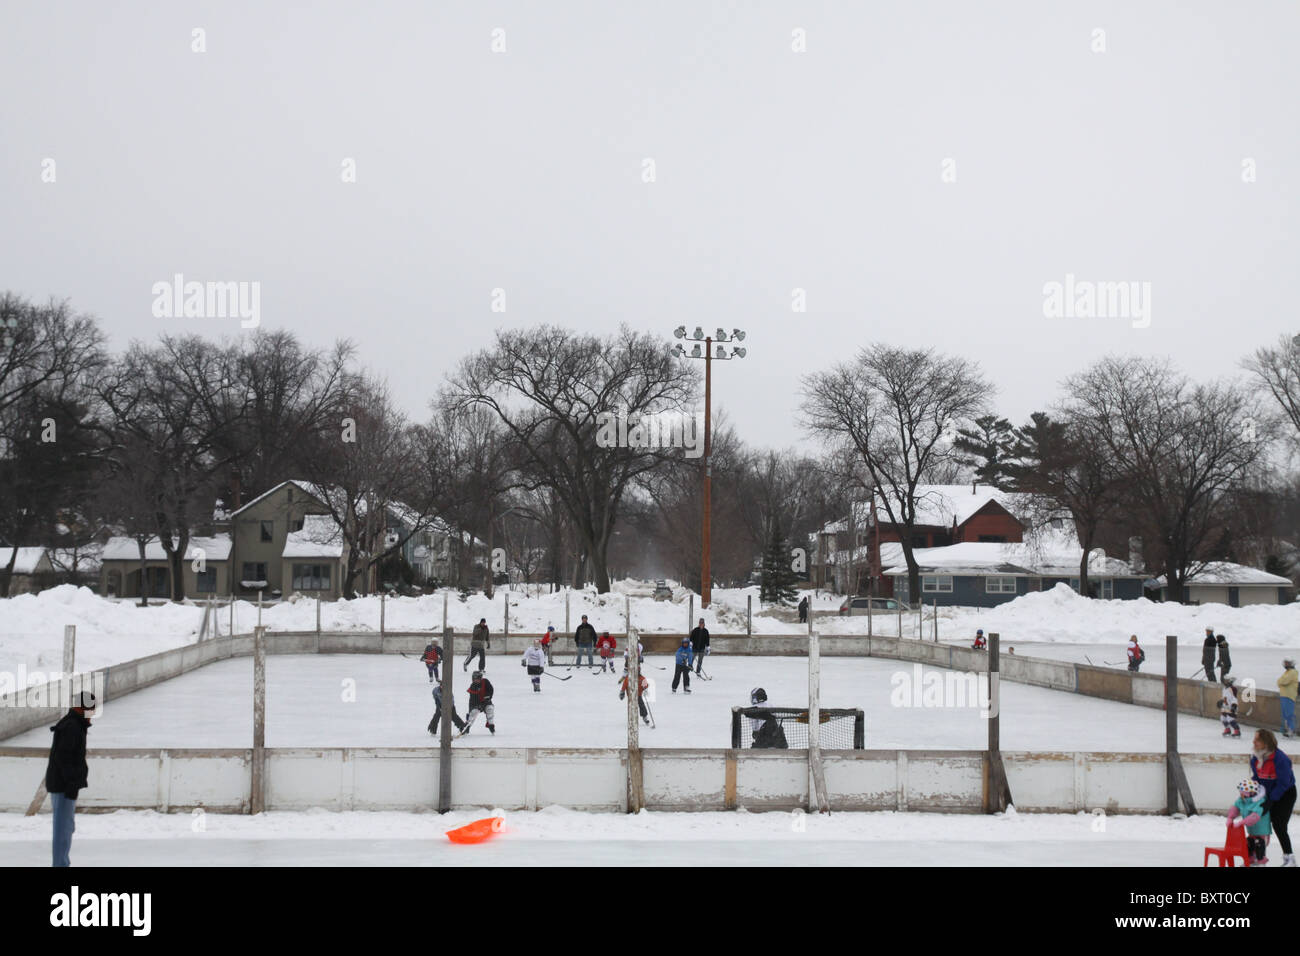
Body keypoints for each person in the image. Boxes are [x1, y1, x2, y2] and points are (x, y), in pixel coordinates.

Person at [46, 690, 94, 867]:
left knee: (66, 827)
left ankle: (62, 863)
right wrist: (72, 783)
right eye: (92, 708)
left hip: (64, 785)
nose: (94, 712)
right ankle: (60, 865)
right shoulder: (72, 727)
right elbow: (64, 757)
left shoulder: (74, 724)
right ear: (83, 707)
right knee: (63, 830)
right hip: (63, 786)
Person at [1251, 730, 1297, 866]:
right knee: (1260, 823)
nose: (1253, 742)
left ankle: (1289, 858)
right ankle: (1259, 858)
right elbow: (1256, 778)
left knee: (1279, 825)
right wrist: (1252, 792)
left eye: (1257, 740)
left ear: (1266, 743)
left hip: (1286, 794)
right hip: (1268, 793)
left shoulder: (1280, 759)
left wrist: (1271, 800)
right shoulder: (1256, 758)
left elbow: (1283, 783)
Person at [1229, 777, 1272, 867]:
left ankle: (1260, 861)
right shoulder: (1243, 800)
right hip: (1252, 830)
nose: (1241, 795)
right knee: (1249, 842)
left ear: (1251, 793)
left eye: (1244, 793)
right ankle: (1250, 860)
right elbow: (1236, 807)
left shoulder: (1260, 801)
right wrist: (1230, 817)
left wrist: (1242, 822)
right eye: (1241, 793)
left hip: (1261, 830)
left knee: (1259, 843)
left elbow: (1254, 816)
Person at [460, 670, 496, 736]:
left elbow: (491, 690)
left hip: (486, 701)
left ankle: (491, 726)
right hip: (475, 704)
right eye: (474, 679)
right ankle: (466, 728)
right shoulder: (473, 687)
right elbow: (473, 700)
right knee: (474, 713)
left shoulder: (485, 682)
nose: (476, 680)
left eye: (477, 679)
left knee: (490, 709)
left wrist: (488, 697)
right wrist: (478, 706)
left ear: (480, 678)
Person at [1279, 659, 1298, 738]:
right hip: (1284, 695)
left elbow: (1284, 681)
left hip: (1289, 695)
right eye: (1285, 663)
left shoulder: (1293, 672)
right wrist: (1280, 681)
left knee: (1289, 714)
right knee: (1285, 714)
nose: (1286, 664)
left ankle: (1291, 730)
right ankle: (1286, 729)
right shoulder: (1287, 672)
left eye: (1287, 663)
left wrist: (1280, 682)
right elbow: (1280, 681)